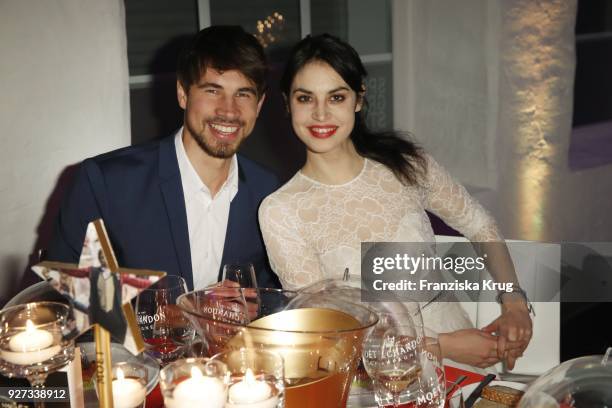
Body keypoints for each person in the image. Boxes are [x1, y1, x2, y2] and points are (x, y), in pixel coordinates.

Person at [259, 34, 532, 369]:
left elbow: (479, 225)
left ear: (358, 100)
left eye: (336, 97)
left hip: (467, 357)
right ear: (287, 103)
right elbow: (329, 337)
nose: (320, 114)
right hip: (379, 379)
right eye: (305, 98)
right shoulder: (281, 211)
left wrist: (513, 300)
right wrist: (441, 347)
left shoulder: (405, 164)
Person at [47, 26, 281, 291]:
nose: (229, 110)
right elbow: (59, 298)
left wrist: (255, 304)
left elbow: (272, 290)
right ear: (183, 93)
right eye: (212, 91)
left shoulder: (269, 191)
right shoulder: (106, 183)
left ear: (259, 105)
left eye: (243, 94)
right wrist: (174, 313)